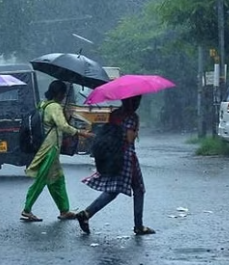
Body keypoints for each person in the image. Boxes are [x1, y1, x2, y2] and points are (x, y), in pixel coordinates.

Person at [75, 95, 156, 235]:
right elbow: (130, 139)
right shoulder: (132, 117)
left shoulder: (115, 114)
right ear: (135, 102)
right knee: (138, 189)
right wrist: (136, 130)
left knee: (113, 190)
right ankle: (139, 226)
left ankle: (87, 214)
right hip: (127, 157)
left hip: (113, 155)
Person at [20, 80, 93, 222]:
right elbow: (63, 126)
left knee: (57, 179)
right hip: (49, 148)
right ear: (59, 93)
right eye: (64, 94)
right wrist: (81, 132)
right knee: (42, 179)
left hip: (49, 147)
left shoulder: (44, 104)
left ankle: (64, 210)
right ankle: (27, 209)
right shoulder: (54, 107)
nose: (64, 96)